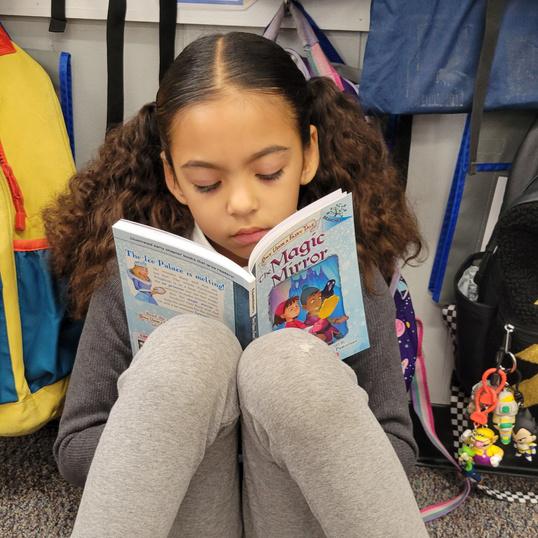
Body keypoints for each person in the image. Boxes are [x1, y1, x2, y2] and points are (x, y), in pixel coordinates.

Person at [44, 32, 428, 537]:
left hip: (300, 513)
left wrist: (291, 421)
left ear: (308, 154)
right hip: (185, 512)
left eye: (269, 172)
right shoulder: (134, 275)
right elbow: (75, 446)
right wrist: (183, 422)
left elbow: (396, 444)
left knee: (286, 364)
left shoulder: (348, 267)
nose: (242, 204)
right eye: (207, 183)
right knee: (189, 348)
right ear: (174, 178)